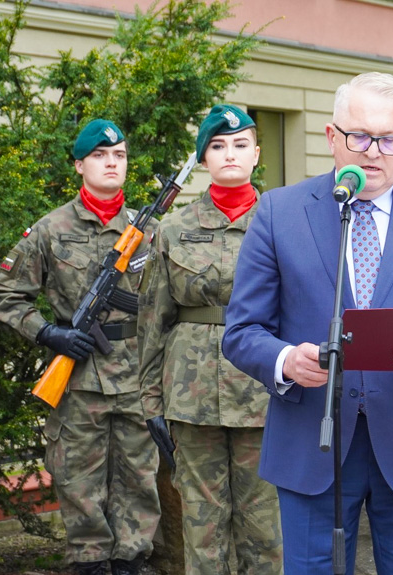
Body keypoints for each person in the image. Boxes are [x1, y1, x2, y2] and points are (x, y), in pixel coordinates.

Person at [221, 72, 393, 574]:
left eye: (389, 139)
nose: (374, 151)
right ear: (332, 137)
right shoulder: (279, 213)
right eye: (360, 136)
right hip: (314, 439)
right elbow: (241, 332)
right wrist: (286, 360)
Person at [0, 119, 161, 575]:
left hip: (136, 379)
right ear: (80, 165)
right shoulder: (50, 229)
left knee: (140, 480)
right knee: (79, 483)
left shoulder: (152, 232)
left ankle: (131, 562)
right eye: (101, 156)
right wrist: (48, 333)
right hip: (79, 377)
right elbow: (4, 297)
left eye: (119, 155)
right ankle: (89, 564)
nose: (111, 163)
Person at [138, 104, 283, 574]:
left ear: (256, 154)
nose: (229, 155)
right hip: (190, 393)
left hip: (263, 389)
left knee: (265, 524)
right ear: (204, 160)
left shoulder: (282, 223)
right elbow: (153, 317)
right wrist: (150, 400)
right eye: (217, 147)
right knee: (202, 522)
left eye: (240, 145)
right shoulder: (173, 228)